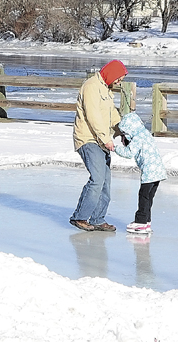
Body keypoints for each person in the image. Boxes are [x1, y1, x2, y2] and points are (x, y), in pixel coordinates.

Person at [69, 60, 127, 232]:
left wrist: (122, 131)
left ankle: (98, 219)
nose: (119, 83)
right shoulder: (91, 87)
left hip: (102, 140)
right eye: (118, 79)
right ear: (111, 74)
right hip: (88, 139)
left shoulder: (107, 89)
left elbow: (112, 115)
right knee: (97, 178)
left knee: (105, 182)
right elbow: (93, 116)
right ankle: (79, 217)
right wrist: (106, 139)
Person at [113, 112, 167, 234]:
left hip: (149, 171)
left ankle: (141, 222)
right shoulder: (145, 134)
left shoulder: (137, 138)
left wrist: (114, 148)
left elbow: (128, 153)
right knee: (149, 197)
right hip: (158, 171)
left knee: (143, 196)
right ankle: (147, 221)